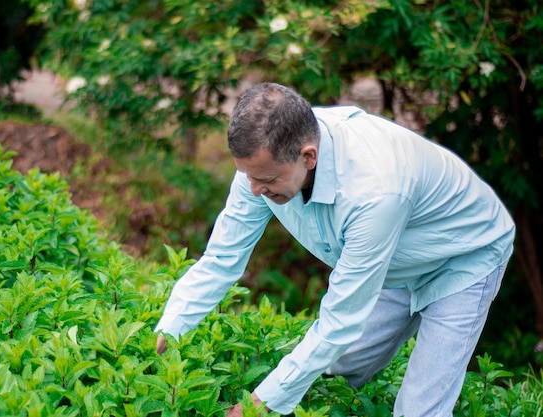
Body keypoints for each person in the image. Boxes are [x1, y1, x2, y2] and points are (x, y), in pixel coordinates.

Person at [154, 82, 515, 416]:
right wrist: (168, 331)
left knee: (418, 410)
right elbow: (221, 260)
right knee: (336, 373)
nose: (253, 190)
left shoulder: (375, 190)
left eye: (265, 181)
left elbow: (339, 322)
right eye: (246, 176)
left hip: (462, 256)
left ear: (308, 156)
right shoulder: (262, 165)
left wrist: (259, 404)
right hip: (391, 259)